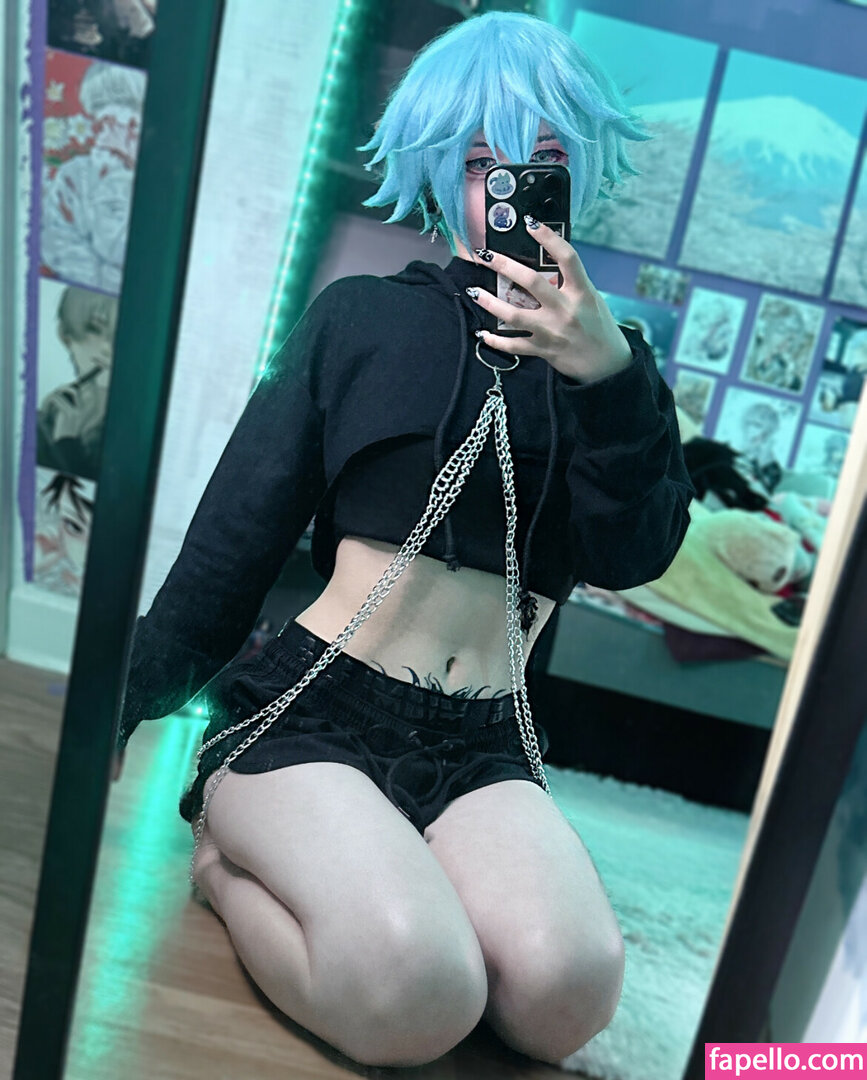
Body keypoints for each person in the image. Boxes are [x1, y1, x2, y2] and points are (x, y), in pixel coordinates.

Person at [113, 12, 695, 1069]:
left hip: (485, 742)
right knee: (419, 997)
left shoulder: (620, 368)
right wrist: (123, 704)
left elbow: (633, 556)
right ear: (440, 170)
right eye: (481, 163)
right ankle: (225, 869)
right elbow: (234, 542)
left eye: (544, 160)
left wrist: (606, 376)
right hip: (316, 711)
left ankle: (387, 879)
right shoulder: (363, 320)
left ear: (582, 173)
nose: (511, 187)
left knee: (566, 996)